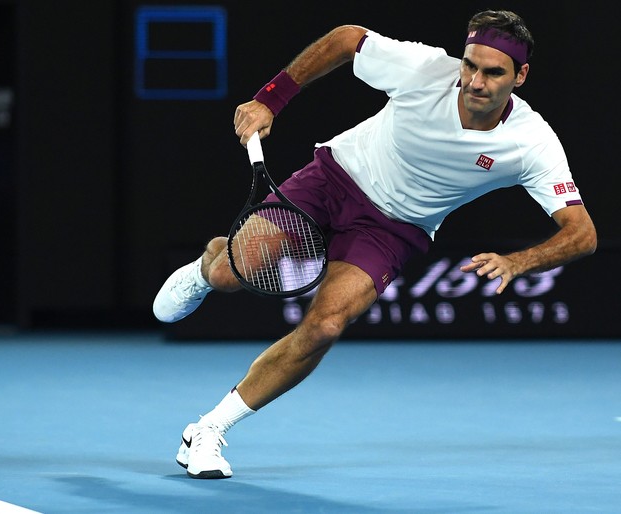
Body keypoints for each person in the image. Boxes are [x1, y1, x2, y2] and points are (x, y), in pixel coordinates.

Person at [153, 10, 597, 479]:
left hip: (394, 229)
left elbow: (582, 233)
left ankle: (208, 429)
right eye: (470, 65)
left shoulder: (531, 141)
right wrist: (270, 100)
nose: (474, 81)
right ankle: (207, 264)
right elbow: (347, 39)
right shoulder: (424, 70)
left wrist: (519, 262)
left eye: (493, 72)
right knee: (228, 275)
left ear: (520, 76)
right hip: (336, 176)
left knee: (325, 326)